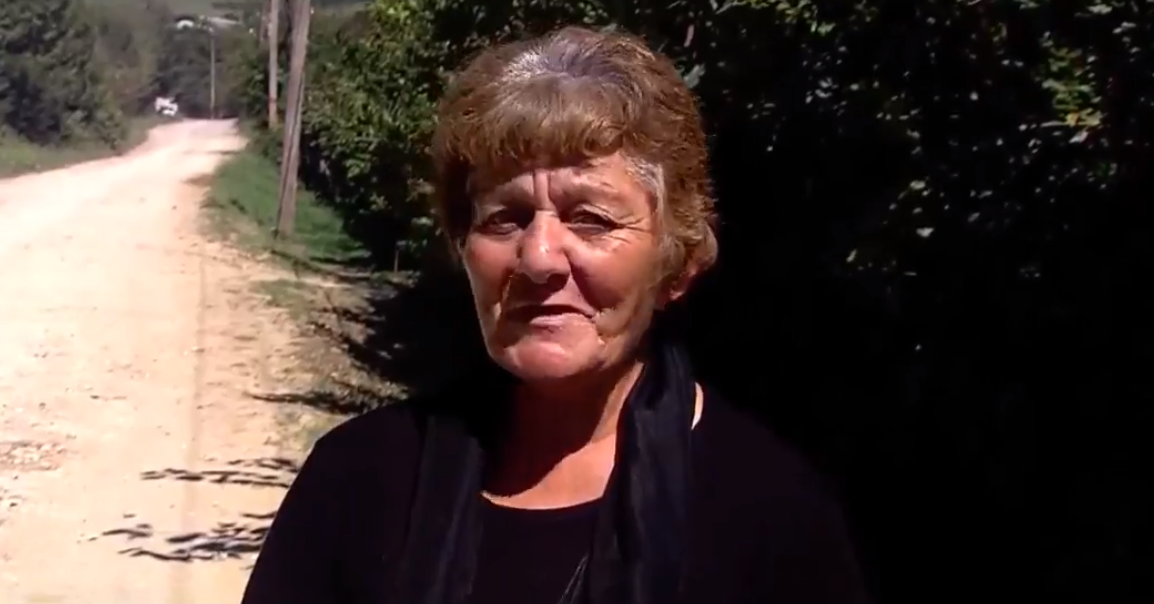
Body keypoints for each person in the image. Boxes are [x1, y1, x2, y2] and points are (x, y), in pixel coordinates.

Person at [241, 26, 870, 604]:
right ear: (463, 248)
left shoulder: (772, 517)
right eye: (506, 218)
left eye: (590, 219)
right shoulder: (359, 479)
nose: (539, 258)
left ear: (675, 264)